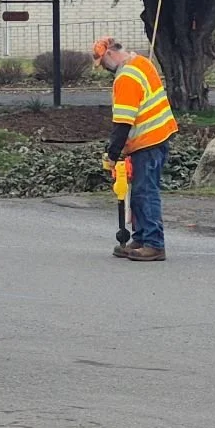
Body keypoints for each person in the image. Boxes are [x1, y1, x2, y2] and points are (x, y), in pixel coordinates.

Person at [91, 37, 178, 261]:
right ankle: (140, 238)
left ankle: (154, 244)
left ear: (110, 54)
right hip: (157, 135)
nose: (105, 69)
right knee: (139, 192)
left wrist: (112, 154)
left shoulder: (126, 77)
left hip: (147, 140)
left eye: (103, 63)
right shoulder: (140, 62)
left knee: (145, 192)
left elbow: (123, 122)